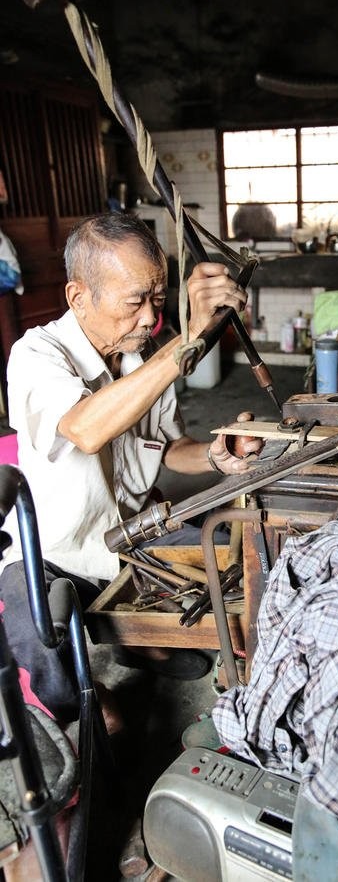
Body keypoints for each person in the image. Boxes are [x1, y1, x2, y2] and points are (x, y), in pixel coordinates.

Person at [0, 212, 262, 722]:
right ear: (80, 298)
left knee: (242, 567)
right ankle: (83, 697)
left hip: (132, 541)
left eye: (158, 300)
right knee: (45, 650)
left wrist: (215, 453)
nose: (149, 318)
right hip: (57, 556)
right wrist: (186, 342)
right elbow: (86, 428)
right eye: (133, 302)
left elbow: (169, 447)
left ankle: (135, 643)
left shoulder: (141, 359)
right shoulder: (36, 355)